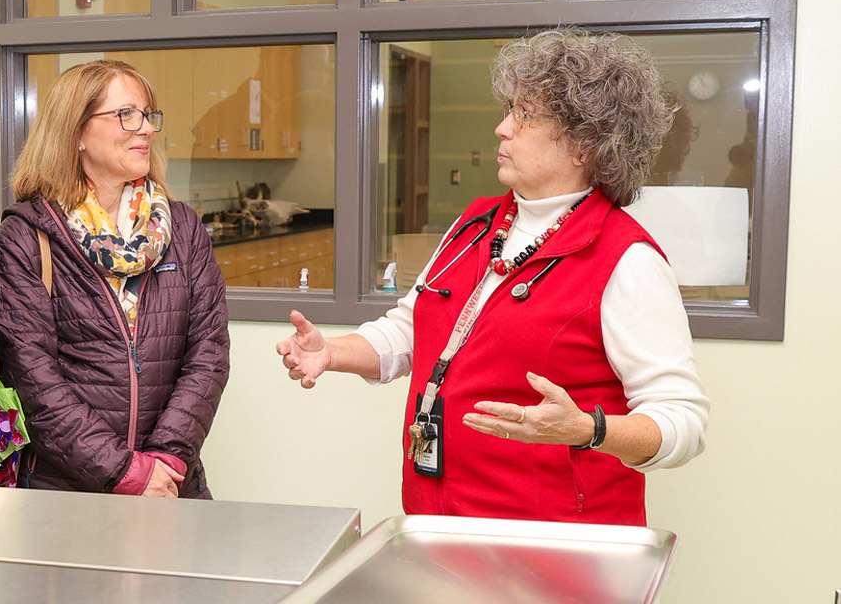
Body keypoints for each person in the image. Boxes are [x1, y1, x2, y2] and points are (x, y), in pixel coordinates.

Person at [278, 29, 709, 525]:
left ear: (584, 145)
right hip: (444, 527)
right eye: (509, 111)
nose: (502, 128)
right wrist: (332, 352)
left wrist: (587, 429)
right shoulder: (476, 222)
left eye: (525, 117)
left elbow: (684, 423)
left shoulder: (626, 258)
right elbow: (412, 329)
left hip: (560, 551)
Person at [0, 60, 230, 498]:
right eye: (126, 115)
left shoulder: (184, 228)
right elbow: (36, 381)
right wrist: (126, 473)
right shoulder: (25, 237)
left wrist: (166, 462)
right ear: (76, 131)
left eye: (148, 115)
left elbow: (208, 356)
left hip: (172, 483)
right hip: (66, 492)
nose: (145, 129)